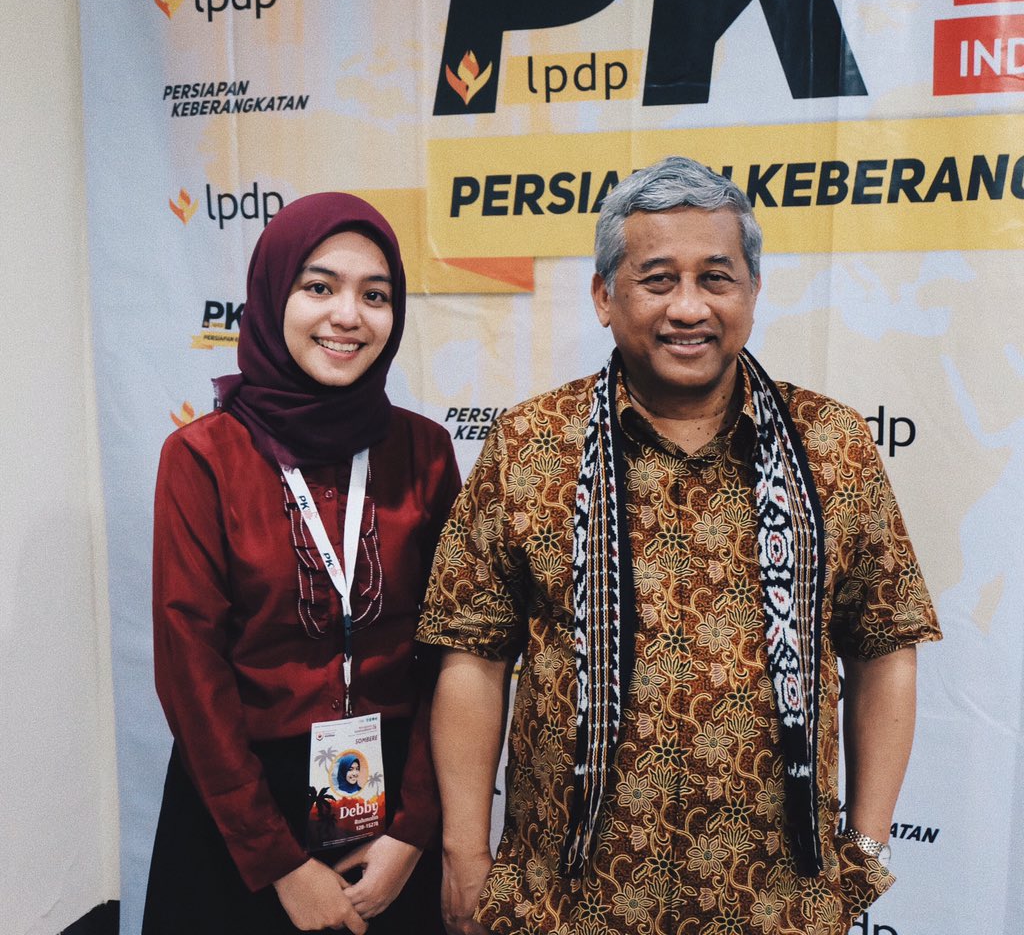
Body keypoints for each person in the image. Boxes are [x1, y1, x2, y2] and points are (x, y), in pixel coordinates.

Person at [417, 157, 941, 935]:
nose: (689, 307)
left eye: (715, 278)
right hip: (567, 907)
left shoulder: (831, 445)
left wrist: (864, 847)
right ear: (605, 296)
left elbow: (885, 644)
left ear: (752, 292)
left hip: (777, 908)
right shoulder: (530, 445)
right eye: (658, 280)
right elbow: (473, 656)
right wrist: (464, 852)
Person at [144, 193, 461, 935]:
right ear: (271, 297)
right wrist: (279, 862)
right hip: (241, 808)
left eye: (375, 295)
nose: (348, 316)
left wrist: (414, 831)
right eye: (319, 287)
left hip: (392, 804)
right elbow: (191, 672)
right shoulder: (202, 458)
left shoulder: (424, 452)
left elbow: (454, 651)